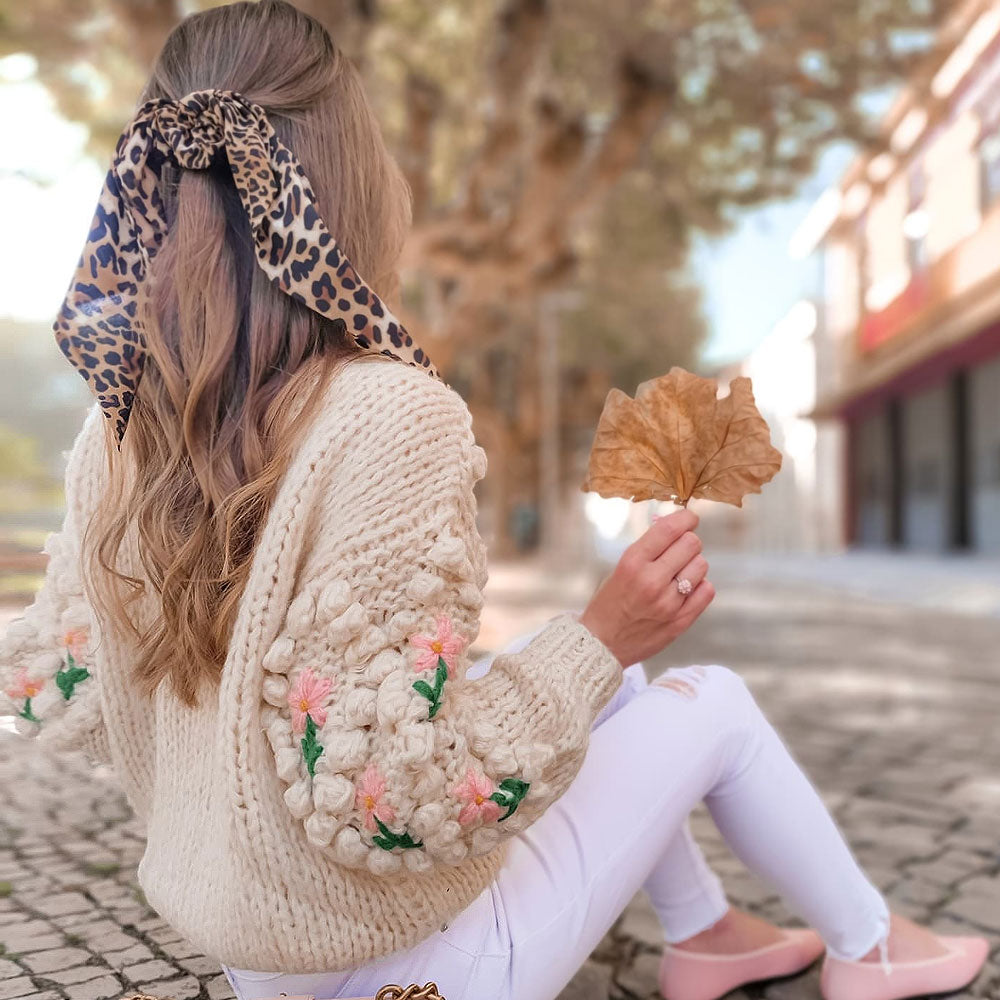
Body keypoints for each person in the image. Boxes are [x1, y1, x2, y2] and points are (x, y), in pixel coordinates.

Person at [0, 4, 988, 1000]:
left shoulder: (119, 428)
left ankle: (708, 933)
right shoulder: (388, 414)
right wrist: (603, 633)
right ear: (344, 179)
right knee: (710, 700)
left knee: (618, 686)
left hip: (260, 957)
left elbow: (59, 683)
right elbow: (397, 798)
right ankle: (871, 946)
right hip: (420, 972)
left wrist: (593, 658)